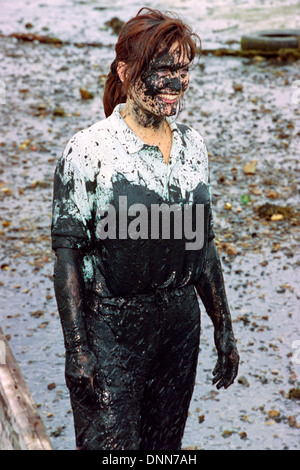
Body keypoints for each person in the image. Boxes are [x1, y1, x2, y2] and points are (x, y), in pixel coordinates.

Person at [51, 7, 239, 451]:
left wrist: (223, 326)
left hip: (179, 326)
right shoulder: (89, 151)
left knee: (164, 450)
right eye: (162, 69)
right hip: (112, 326)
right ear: (125, 70)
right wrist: (77, 349)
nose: (175, 82)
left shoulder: (194, 148)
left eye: (183, 69)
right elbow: (67, 259)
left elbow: (203, 246)